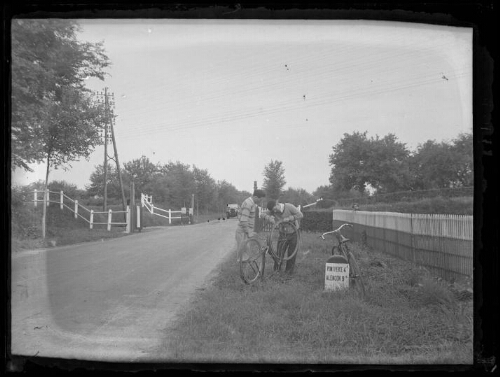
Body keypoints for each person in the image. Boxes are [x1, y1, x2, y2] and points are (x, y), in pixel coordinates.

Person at [262, 199, 303, 275]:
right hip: (283, 234)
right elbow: (262, 214)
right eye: (272, 211)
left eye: (275, 209)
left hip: (294, 233)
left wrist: (290, 218)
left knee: (291, 253)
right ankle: (276, 270)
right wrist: (269, 218)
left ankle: (288, 273)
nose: (274, 211)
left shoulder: (289, 207)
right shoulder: (272, 210)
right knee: (279, 253)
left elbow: (300, 214)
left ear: (277, 204)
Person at [235, 189, 266, 261]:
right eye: (260, 200)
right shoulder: (249, 204)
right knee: (243, 256)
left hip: (244, 231)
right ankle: (242, 270)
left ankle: (243, 269)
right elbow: (243, 220)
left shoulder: (251, 203)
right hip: (242, 232)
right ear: (255, 197)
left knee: (246, 254)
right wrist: (249, 232)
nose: (260, 201)